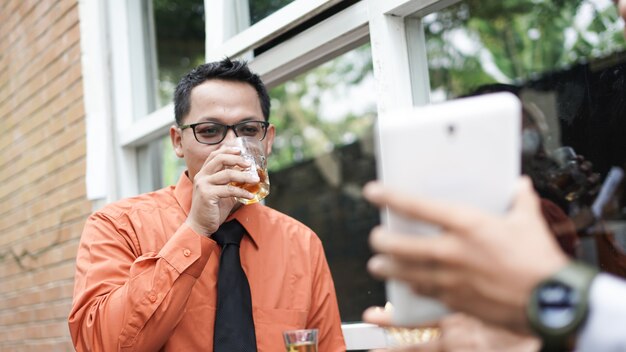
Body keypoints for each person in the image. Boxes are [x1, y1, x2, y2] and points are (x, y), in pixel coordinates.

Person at [362, 0, 626, 350]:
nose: (541, 150)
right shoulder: (526, 218)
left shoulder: (543, 214)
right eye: (528, 139)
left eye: (539, 137)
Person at [68, 58, 346, 351]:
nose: (231, 147)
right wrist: (195, 229)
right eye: (210, 131)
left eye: (249, 130)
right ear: (177, 142)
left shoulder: (302, 243)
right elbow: (99, 345)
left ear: (268, 140)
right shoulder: (118, 225)